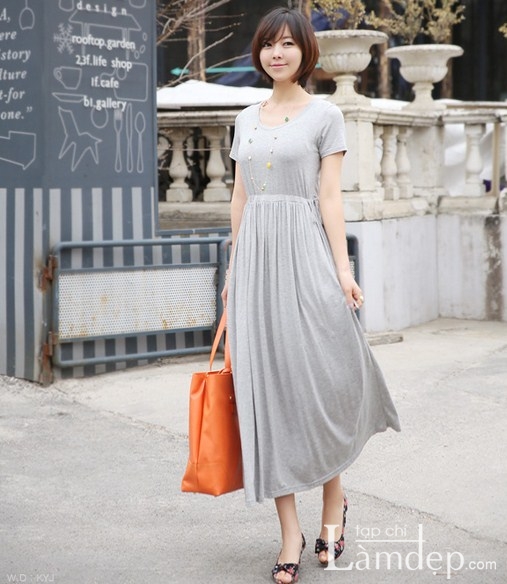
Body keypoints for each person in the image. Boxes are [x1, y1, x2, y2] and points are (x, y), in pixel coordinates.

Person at [221, 7, 401, 584]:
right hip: (255, 269)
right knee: (268, 396)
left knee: (321, 383)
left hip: (306, 258)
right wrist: (233, 271)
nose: (276, 53)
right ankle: (290, 534)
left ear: (305, 52)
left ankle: (332, 508)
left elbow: (329, 198)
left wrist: (342, 270)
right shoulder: (245, 118)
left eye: (287, 44)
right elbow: (240, 198)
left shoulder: (326, 116)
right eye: (267, 45)